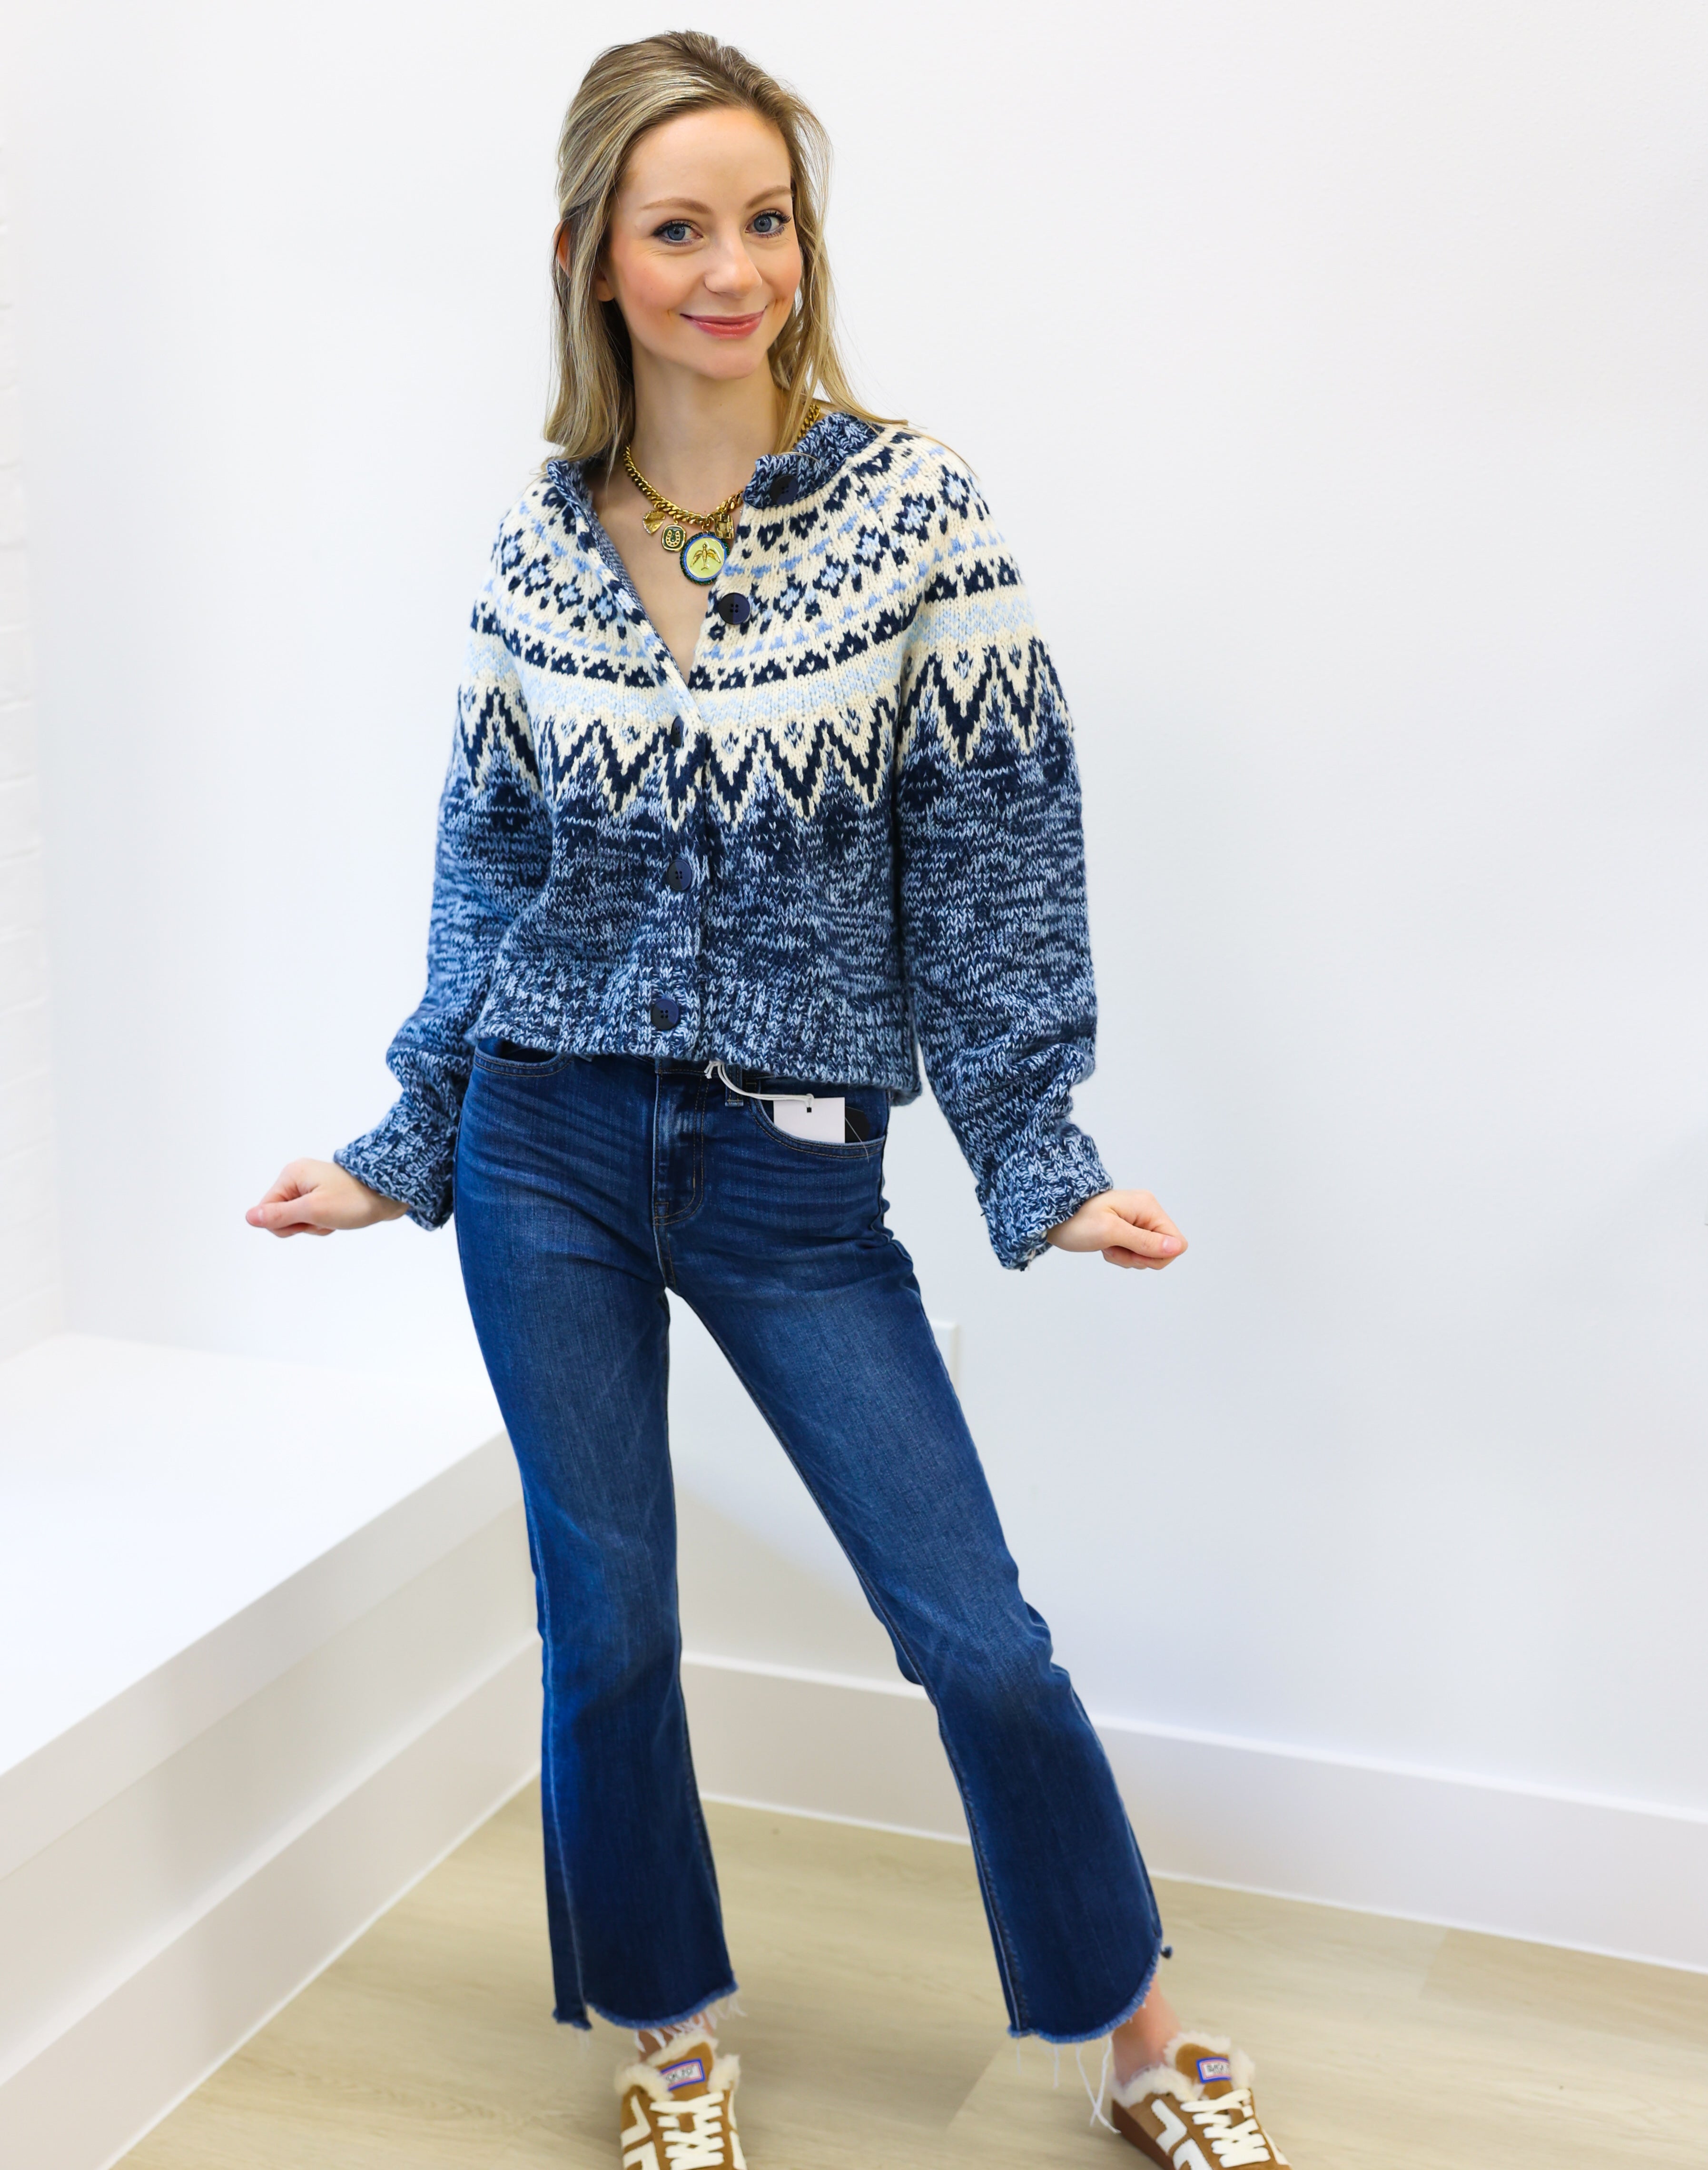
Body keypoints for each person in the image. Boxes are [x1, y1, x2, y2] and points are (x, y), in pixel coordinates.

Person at [248, 31, 1291, 2170]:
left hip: (795, 1172)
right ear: (592, 261)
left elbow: (997, 855)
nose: (738, 268)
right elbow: (487, 875)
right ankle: (670, 2030)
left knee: (975, 1638)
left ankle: (1144, 2038)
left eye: (770, 219)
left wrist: (1035, 1146)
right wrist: (406, 1134)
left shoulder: (913, 509)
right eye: (683, 228)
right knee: (607, 1621)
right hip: (543, 1142)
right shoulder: (540, 547)